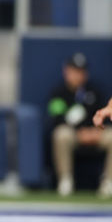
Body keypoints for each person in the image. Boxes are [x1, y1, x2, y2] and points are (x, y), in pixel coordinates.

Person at [47, 52, 112, 197]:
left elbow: (105, 115)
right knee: (61, 134)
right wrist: (79, 133)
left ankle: (109, 183)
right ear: (67, 71)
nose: (78, 75)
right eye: (75, 71)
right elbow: (57, 119)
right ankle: (65, 182)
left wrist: (95, 131)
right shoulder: (59, 93)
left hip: (96, 134)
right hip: (73, 135)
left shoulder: (94, 91)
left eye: (81, 71)